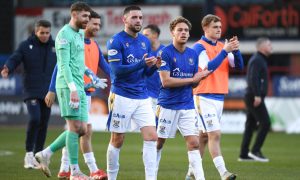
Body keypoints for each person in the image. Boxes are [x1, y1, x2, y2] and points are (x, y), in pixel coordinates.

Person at [45, 10, 109, 179]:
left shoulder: (93, 44)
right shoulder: (71, 37)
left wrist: (116, 79)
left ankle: (62, 165)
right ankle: (90, 169)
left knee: (77, 130)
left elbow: (106, 66)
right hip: (73, 89)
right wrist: (52, 89)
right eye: (93, 23)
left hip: (85, 91)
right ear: (85, 23)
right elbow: (60, 66)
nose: (97, 27)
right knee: (82, 131)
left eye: (98, 24)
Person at [34, 2, 92, 179]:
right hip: (68, 87)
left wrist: (91, 75)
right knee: (74, 128)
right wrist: (73, 88)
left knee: (82, 129)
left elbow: (79, 62)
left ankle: (45, 154)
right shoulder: (63, 36)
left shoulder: (80, 33)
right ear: (74, 14)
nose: (87, 20)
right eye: (85, 16)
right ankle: (74, 172)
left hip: (80, 85)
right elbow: (64, 65)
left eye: (89, 17)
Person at [185, 14, 244, 180]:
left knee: (203, 137)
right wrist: (225, 51)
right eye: (215, 27)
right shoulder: (199, 47)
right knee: (215, 134)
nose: (219, 30)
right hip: (203, 95)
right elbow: (207, 68)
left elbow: (238, 66)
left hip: (219, 97)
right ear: (205, 28)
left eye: (220, 27)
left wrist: (236, 50)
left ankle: (191, 172)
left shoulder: (221, 46)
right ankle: (223, 173)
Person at [106, 5, 160, 180]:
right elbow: (117, 71)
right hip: (121, 95)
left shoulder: (144, 42)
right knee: (117, 140)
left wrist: (154, 67)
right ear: (125, 19)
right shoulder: (116, 41)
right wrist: (142, 64)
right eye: (134, 17)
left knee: (152, 137)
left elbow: (144, 73)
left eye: (140, 17)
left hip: (142, 96)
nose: (138, 21)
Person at [156, 16, 211, 180]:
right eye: (180, 30)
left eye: (186, 30)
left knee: (194, 143)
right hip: (167, 105)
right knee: (158, 143)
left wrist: (199, 78)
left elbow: (193, 85)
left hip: (187, 105)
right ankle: (151, 175)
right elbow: (166, 82)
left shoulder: (193, 54)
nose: (183, 33)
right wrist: (192, 79)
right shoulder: (165, 53)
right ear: (172, 32)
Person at [0, 20, 56, 169]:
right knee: (35, 118)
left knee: (44, 123)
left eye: (47, 33)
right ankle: (29, 154)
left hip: (48, 92)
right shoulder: (26, 45)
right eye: (41, 33)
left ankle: (38, 155)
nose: (44, 35)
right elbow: (15, 58)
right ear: (35, 32)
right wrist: (7, 68)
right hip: (31, 89)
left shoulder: (55, 47)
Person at [238, 37, 272, 162]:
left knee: (250, 125)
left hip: (252, 95)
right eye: (269, 45)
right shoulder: (258, 60)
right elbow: (253, 78)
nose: (271, 47)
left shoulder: (260, 59)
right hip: (254, 96)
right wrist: (257, 95)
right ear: (262, 47)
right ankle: (255, 151)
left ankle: (243, 154)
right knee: (266, 123)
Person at [142, 24, 165, 112]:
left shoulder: (166, 51)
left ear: (155, 35)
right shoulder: (144, 52)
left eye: (146, 35)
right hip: (147, 95)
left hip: (162, 95)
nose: (143, 38)